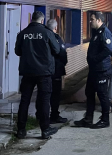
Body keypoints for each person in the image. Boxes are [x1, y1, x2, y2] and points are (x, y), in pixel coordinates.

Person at [15, 11, 61, 139]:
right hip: (44, 72)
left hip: (27, 72)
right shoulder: (47, 33)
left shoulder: (22, 34)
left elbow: (17, 51)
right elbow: (57, 50)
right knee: (44, 100)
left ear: (32, 19)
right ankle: (45, 129)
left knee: (25, 100)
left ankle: (21, 130)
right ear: (42, 20)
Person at [73, 11, 112, 129]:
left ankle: (105, 120)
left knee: (102, 95)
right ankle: (88, 118)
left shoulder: (105, 33)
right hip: (94, 70)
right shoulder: (96, 33)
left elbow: (107, 50)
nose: (90, 21)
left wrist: (95, 59)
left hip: (102, 70)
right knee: (89, 93)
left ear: (99, 20)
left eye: (92, 19)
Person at [35, 18, 69, 124]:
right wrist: (62, 65)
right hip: (55, 71)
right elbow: (63, 54)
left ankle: (40, 115)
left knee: (42, 93)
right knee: (55, 95)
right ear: (55, 28)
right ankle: (54, 115)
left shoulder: (41, 37)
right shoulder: (56, 38)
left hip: (43, 71)